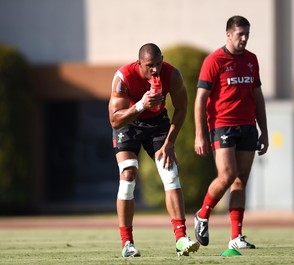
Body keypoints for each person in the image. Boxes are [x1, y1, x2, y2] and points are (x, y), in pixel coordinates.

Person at [108, 43, 200, 257]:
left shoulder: (172, 74)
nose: (155, 70)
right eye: (150, 66)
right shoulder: (124, 77)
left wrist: (169, 142)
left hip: (158, 124)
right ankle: (127, 243)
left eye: (158, 64)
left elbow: (181, 108)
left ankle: (181, 239)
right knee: (128, 174)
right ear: (139, 63)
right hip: (129, 123)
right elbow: (115, 120)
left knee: (170, 173)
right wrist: (141, 105)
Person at [193, 15, 269, 250]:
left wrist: (263, 131)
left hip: (247, 126)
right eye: (240, 34)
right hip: (222, 125)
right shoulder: (214, 60)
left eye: (247, 34)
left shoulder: (251, 60)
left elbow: (257, 97)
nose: (244, 38)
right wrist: (200, 134)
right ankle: (202, 215)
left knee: (240, 181)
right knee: (227, 175)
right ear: (228, 35)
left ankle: (236, 236)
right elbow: (200, 100)